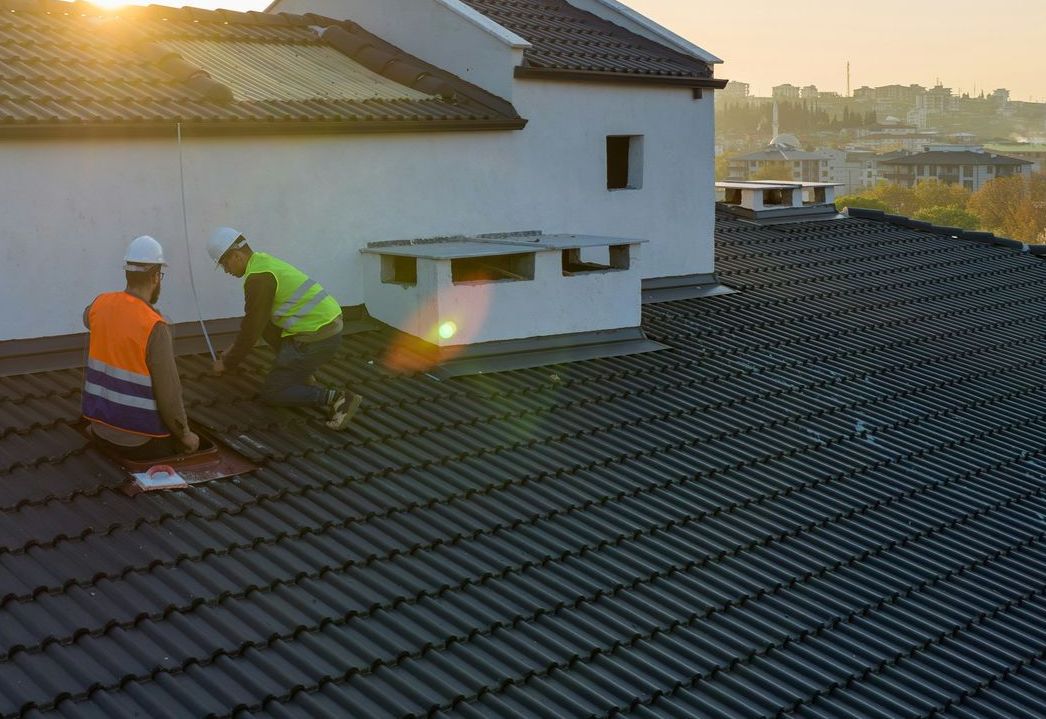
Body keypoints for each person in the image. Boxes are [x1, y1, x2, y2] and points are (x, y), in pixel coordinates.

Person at [207, 227, 361, 430]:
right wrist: (234, 349)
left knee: (272, 393)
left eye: (225, 264)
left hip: (317, 337)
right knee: (265, 322)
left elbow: (251, 329)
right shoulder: (263, 263)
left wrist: (227, 363)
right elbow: (257, 324)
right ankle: (300, 373)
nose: (226, 271)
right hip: (324, 327)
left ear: (236, 255)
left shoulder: (258, 279)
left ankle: (338, 398)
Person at [82, 236, 199, 460]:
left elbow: (87, 316)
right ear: (156, 277)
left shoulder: (99, 305)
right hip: (138, 440)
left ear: (128, 273)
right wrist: (185, 434)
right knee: (186, 448)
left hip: (100, 430)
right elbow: (169, 394)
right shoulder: (155, 326)